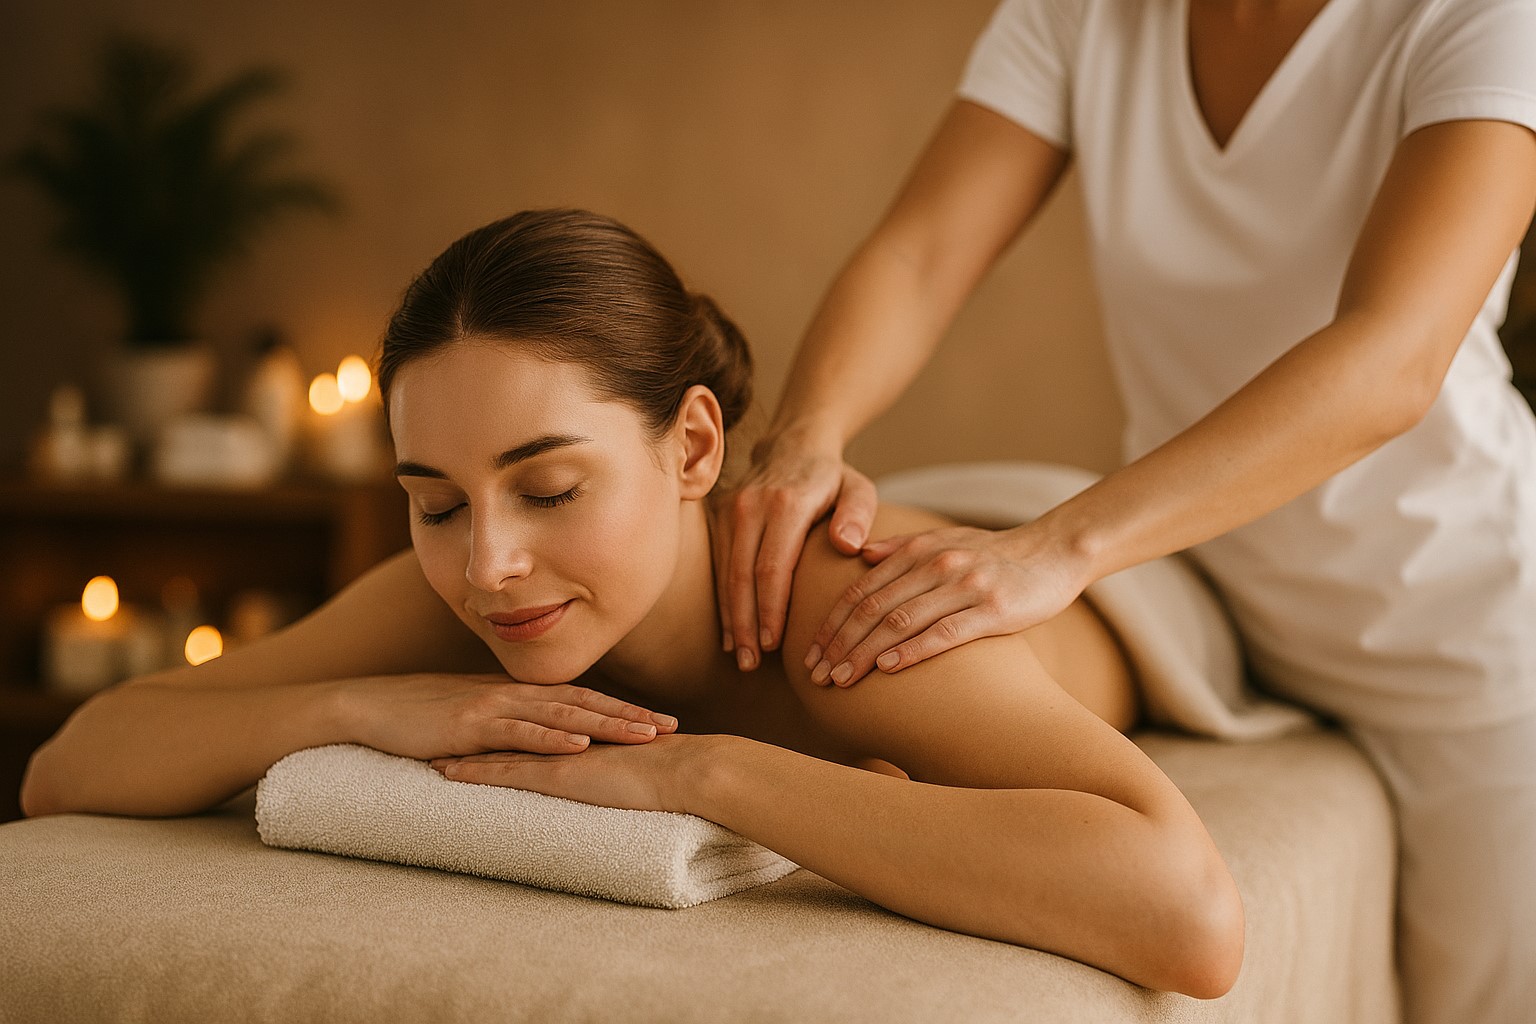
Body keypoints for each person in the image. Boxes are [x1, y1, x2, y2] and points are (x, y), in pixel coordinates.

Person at [20, 209, 1243, 998]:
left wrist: (705, 777)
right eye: (435, 504)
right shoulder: (456, 597)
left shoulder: (854, 615)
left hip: (1138, 587)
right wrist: (353, 706)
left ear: (694, 447)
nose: (488, 563)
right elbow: (76, 762)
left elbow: (1187, 915)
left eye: (548, 487)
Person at [715, 3, 1536, 1022]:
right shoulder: (1080, 14)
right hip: (1204, 579)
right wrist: (808, 434)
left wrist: (1060, 546)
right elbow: (919, 257)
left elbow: (1393, 359)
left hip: (1459, 626)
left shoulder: (1481, 19)